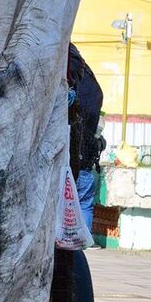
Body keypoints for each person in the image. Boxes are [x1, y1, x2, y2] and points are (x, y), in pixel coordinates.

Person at [67, 44, 104, 231]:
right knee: (85, 205)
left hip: (71, 170)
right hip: (87, 168)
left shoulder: (72, 93)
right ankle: (84, 240)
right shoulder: (91, 88)